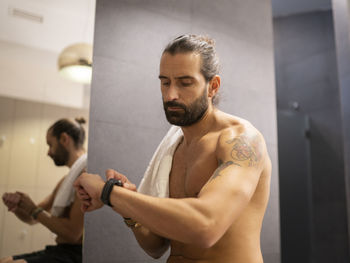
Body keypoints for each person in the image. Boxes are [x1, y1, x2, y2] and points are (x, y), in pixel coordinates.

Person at [74, 34, 272, 263]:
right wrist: (126, 205)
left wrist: (108, 192)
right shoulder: (174, 148)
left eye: (185, 83)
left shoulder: (241, 140)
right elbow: (156, 246)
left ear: (212, 87)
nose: (170, 95)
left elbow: (206, 226)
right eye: (165, 82)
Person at [1, 118, 87, 263]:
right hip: (61, 251)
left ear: (64, 139)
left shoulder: (85, 177)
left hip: (74, 256)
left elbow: (73, 234)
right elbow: (32, 218)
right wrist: (18, 206)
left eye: (50, 145)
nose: (48, 152)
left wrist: (33, 209)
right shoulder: (66, 181)